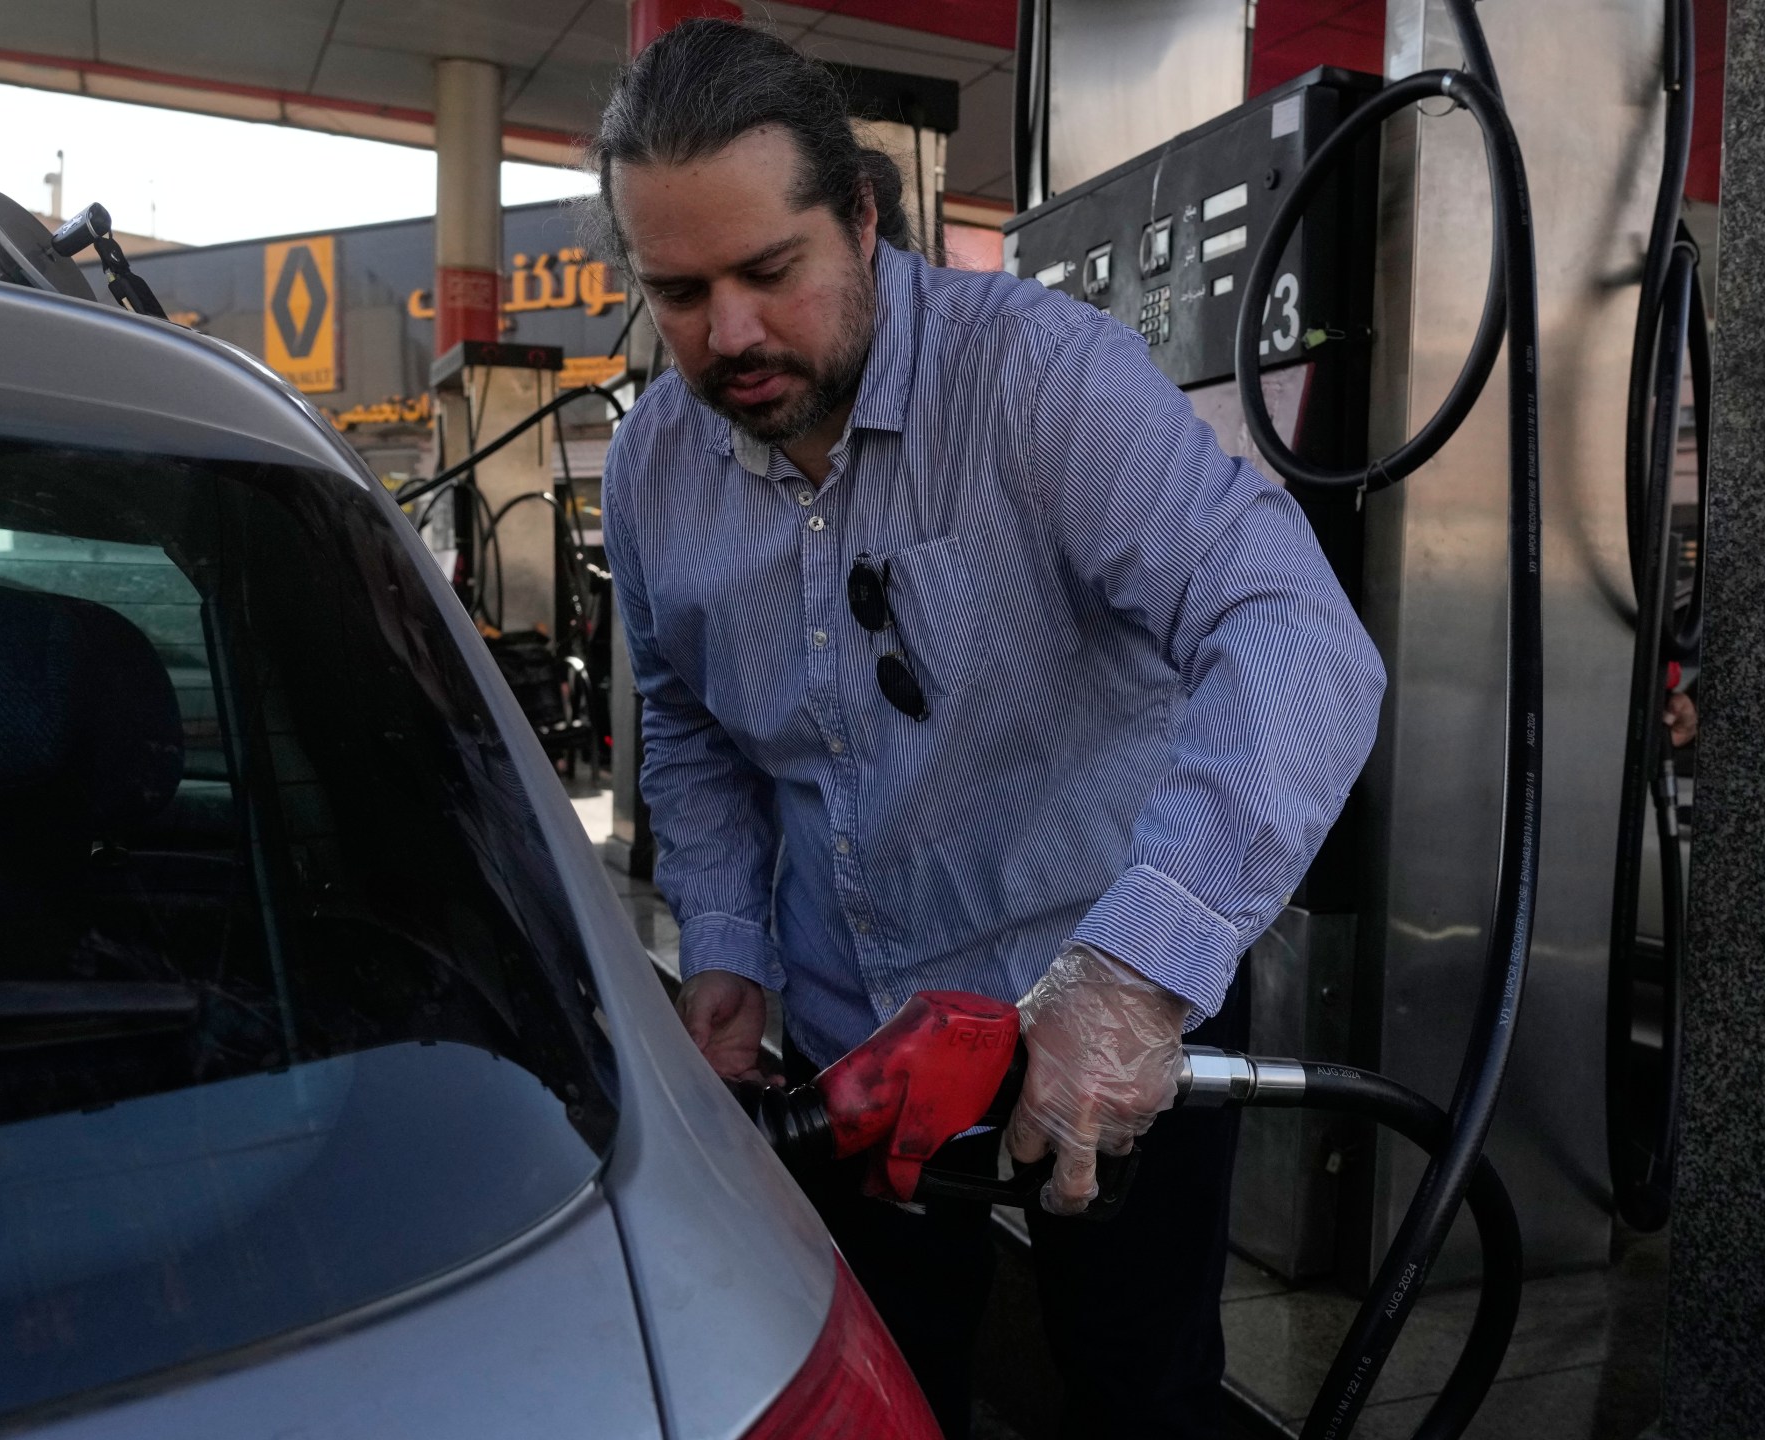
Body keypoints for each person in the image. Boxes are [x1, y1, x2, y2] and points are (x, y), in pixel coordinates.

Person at [589, 22, 1384, 1439]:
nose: (731, 336)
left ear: (869, 222)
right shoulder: (655, 468)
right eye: (680, 293)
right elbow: (693, 729)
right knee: (886, 1377)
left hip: (1105, 1010)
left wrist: (1137, 977)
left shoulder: (1038, 379)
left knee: (1135, 1387)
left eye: (771, 273)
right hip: (855, 1042)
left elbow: (1295, 633)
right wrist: (722, 947)